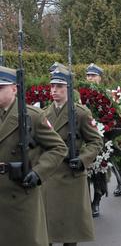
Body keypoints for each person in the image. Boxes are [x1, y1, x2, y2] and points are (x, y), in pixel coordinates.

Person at [0, 65, 68, 246]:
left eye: (0, 88)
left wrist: (38, 172)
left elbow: (58, 148)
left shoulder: (33, 116)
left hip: (20, 193)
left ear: (14, 88)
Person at [43, 66, 103, 246]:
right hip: (49, 175)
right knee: (48, 230)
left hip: (71, 176)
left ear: (68, 88)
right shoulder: (44, 114)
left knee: (70, 231)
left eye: (59, 86)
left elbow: (95, 142)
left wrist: (83, 159)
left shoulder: (81, 113)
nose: (54, 90)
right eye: (52, 86)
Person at [85, 63, 107, 217]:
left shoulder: (106, 95)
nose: (90, 78)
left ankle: (96, 201)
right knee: (84, 172)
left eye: (93, 75)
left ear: (100, 77)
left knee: (99, 172)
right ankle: (85, 202)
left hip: (102, 138)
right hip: (85, 138)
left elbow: (114, 118)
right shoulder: (81, 93)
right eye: (88, 75)